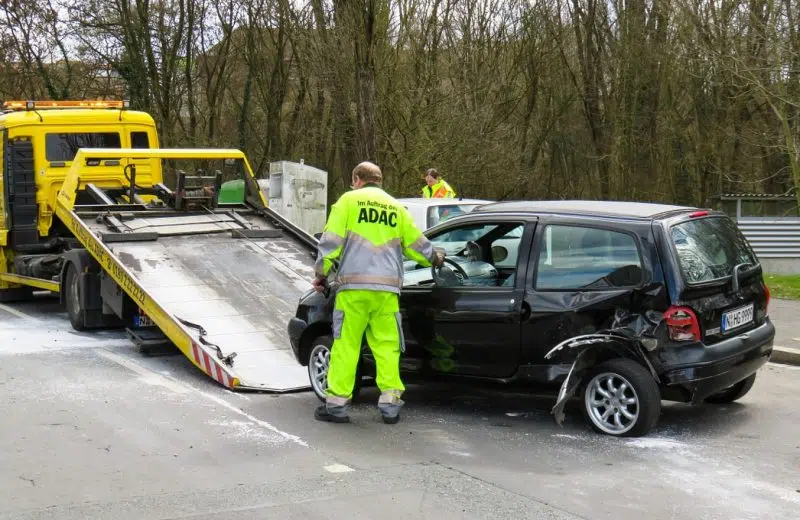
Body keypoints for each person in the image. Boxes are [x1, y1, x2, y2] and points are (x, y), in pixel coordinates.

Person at [312, 161, 446, 425]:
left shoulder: (348, 202)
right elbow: (417, 245)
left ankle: (337, 405)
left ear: (357, 179)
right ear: (380, 181)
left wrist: (320, 274)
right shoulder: (396, 208)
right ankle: (390, 404)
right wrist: (436, 257)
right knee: (387, 347)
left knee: (347, 345)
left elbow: (331, 244)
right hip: (387, 291)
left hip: (354, 289)